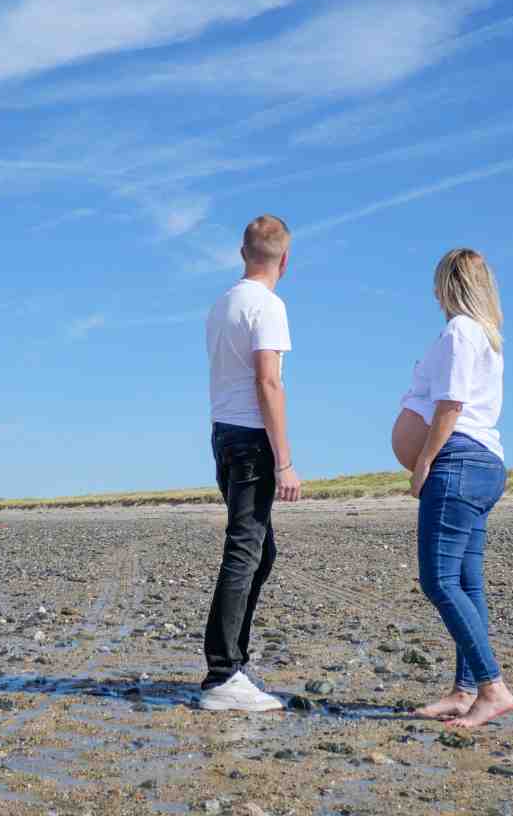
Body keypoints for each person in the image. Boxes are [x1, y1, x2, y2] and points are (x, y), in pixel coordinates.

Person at [391, 248, 513, 729]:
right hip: (481, 463)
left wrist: (423, 460)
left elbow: (451, 404)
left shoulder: (462, 331)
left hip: (459, 463)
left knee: (439, 580)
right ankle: (465, 691)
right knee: (466, 582)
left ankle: (491, 686)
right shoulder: (485, 336)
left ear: (448, 285)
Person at [200, 215, 302, 712]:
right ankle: (222, 674)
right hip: (250, 441)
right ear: (286, 260)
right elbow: (268, 382)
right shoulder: (268, 305)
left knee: (260, 553)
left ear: (243, 253)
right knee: (245, 551)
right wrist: (284, 460)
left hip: (223, 435)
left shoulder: (224, 303)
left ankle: (232, 664)